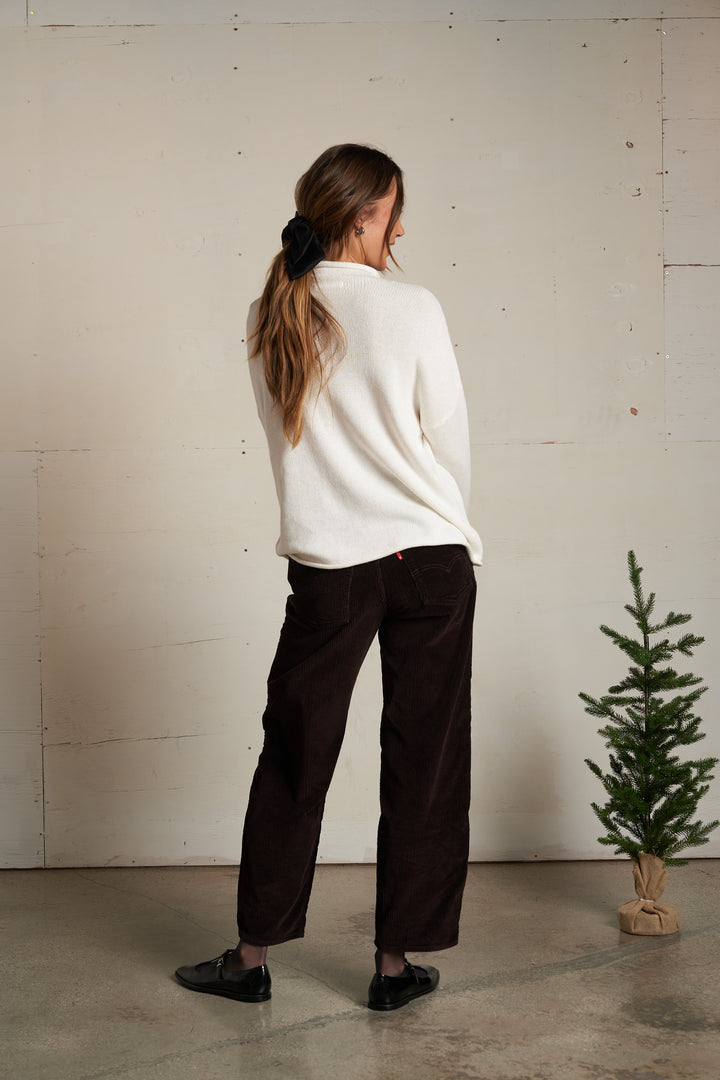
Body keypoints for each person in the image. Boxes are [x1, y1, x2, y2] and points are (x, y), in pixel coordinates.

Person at [175, 143, 483, 1011]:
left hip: (331, 568)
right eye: (393, 213)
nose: (399, 230)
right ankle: (393, 969)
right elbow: (450, 443)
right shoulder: (413, 308)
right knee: (425, 761)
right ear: (362, 215)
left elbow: (291, 447)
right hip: (430, 560)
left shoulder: (271, 310)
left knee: (294, 754)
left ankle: (250, 961)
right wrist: (435, 518)